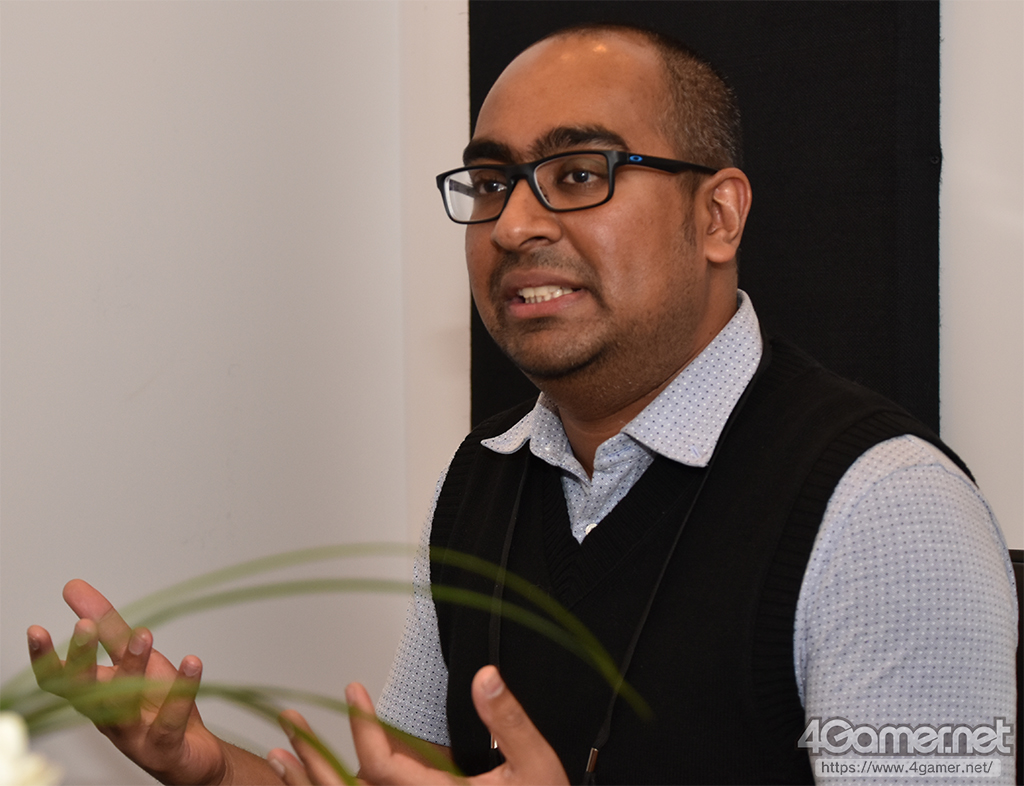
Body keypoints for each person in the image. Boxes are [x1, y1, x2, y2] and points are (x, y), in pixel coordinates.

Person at [28, 23, 1017, 786]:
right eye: (493, 181)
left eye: (579, 174)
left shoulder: (887, 511)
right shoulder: (481, 479)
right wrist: (209, 770)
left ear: (716, 216)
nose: (514, 225)